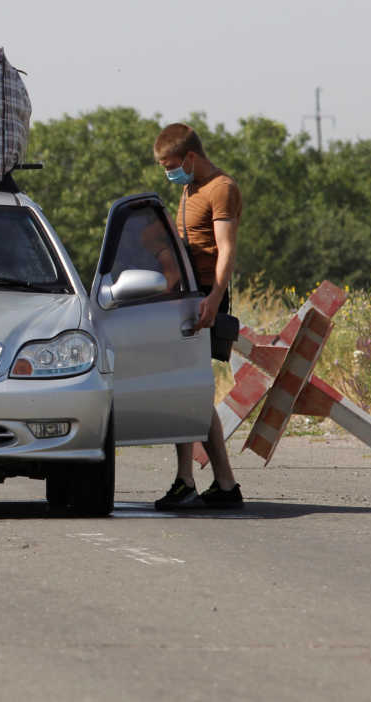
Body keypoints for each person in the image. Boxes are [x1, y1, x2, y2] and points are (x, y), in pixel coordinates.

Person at [152, 122, 244, 509]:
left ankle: (191, 480)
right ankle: (220, 484)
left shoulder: (221, 188)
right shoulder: (190, 189)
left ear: (190, 157)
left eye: (170, 164)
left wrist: (214, 297)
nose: (167, 172)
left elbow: (225, 249)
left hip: (206, 298)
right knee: (190, 389)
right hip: (186, 297)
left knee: (189, 388)